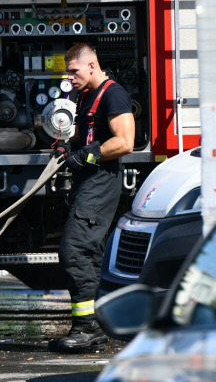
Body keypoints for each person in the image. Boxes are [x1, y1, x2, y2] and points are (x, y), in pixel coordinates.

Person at [51, 43, 134, 351]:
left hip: (102, 182)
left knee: (75, 251)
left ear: (91, 66)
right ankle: (95, 327)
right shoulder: (85, 96)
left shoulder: (113, 94)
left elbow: (125, 142)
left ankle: (87, 328)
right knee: (88, 253)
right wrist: (67, 149)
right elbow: (86, 137)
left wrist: (87, 155)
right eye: (67, 71)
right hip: (88, 182)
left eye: (73, 71)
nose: (69, 77)